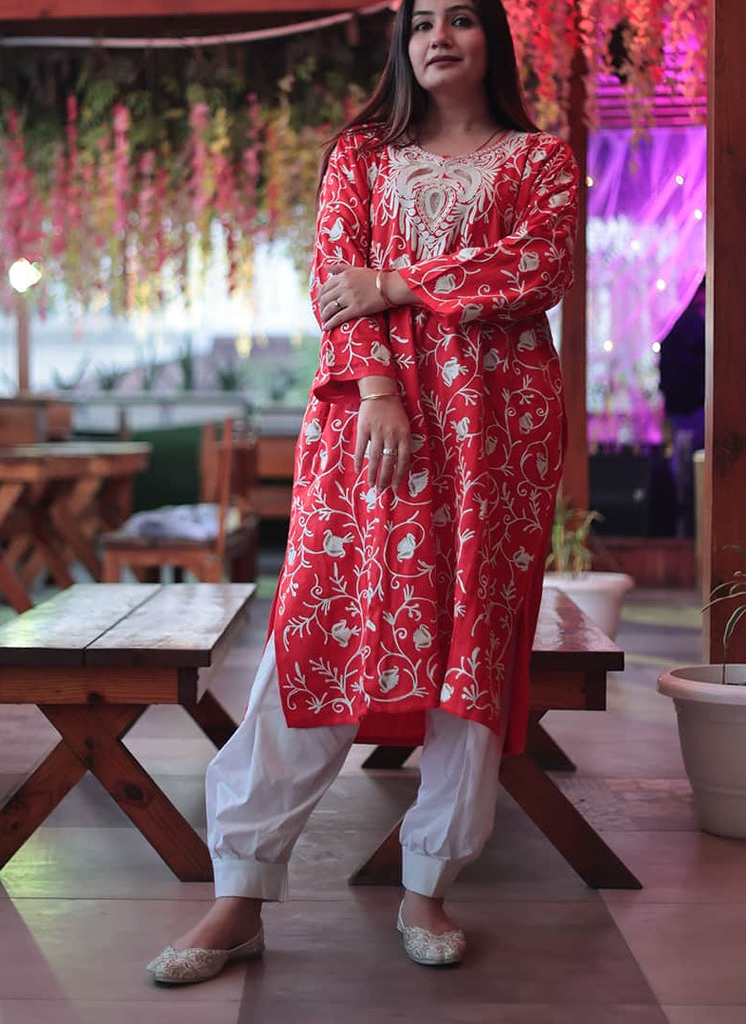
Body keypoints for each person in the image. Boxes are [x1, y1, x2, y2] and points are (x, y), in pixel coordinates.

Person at [146, 0, 579, 984]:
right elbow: (335, 279)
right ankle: (238, 894)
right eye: (422, 21)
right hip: (371, 426)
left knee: (471, 645)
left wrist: (397, 283)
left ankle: (427, 886)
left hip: (498, 439)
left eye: (461, 18)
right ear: (403, 42)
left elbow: (538, 267)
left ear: (493, 39)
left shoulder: (539, 160)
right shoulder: (363, 154)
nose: (439, 36)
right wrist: (380, 384)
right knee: (322, 627)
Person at [657, 278, 706, 537]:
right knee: (694, 469)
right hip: (693, 409)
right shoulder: (696, 325)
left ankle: (685, 526)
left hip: (680, 409)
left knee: (683, 469)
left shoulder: (673, 324)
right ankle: (690, 526)